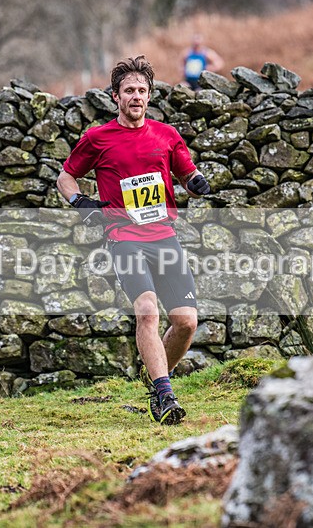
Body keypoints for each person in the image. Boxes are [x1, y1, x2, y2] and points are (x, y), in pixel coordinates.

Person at [56, 55, 211, 425]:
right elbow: (65, 177)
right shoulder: (97, 138)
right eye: (129, 91)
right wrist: (81, 203)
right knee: (147, 310)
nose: (136, 96)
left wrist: (196, 184)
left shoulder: (166, 135)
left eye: (142, 90)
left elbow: (186, 173)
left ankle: (156, 378)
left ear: (149, 96)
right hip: (124, 236)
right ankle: (164, 393)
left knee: (186, 321)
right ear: (116, 97)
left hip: (164, 237)